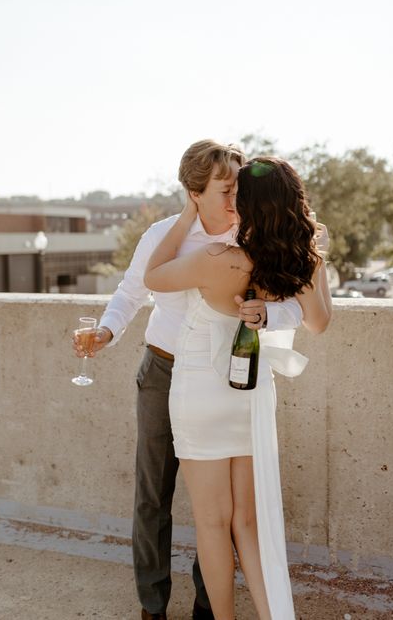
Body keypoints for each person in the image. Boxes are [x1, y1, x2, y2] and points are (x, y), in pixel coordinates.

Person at [73, 141, 306, 620]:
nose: (234, 197)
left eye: (238, 186)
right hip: (163, 370)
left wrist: (271, 314)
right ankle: (152, 605)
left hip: (226, 379)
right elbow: (132, 291)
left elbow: (296, 300)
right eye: (225, 188)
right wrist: (105, 331)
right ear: (193, 193)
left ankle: (208, 605)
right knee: (154, 493)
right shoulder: (164, 233)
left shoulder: (254, 235)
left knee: (216, 509)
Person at [144, 156, 332, 619]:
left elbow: (153, 275)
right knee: (246, 522)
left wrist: (189, 213)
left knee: (212, 523)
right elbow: (320, 323)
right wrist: (276, 308)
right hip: (248, 398)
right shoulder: (299, 258)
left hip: (202, 395)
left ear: (247, 205)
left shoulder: (219, 260)